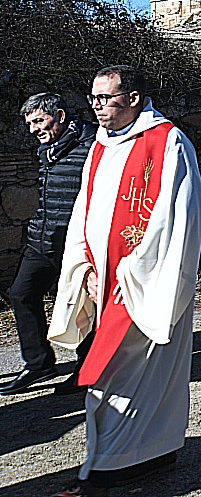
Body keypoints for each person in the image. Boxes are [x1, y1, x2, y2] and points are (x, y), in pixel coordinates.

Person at [47, 65, 201, 494]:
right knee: (122, 373)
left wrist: (132, 273)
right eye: (94, 99)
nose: (97, 107)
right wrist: (85, 267)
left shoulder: (167, 141)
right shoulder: (101, 144)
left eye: (106, 98)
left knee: (119, 373)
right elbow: (85, 211)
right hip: (103, 280)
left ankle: (116, 463)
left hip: (144, 282)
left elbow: (178, 218)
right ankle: (147, 451)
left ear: (133, 98)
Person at [2, 94, 96, 396]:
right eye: (29, 124)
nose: (34, 129)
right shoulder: (47, 148)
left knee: (82, 305)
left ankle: (87, 369)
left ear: (60, 116)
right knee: (21, 293)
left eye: (39, 121)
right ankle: (39, 363)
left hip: (76, 242)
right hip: (42, 239)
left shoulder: (93, 144)